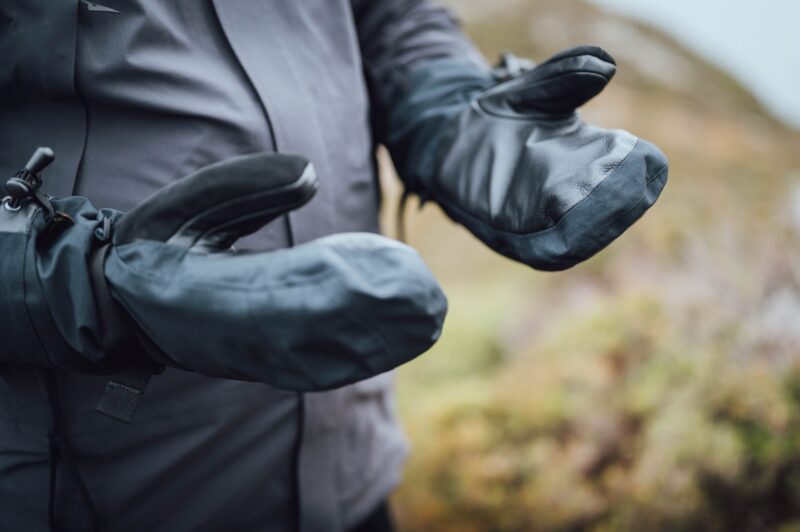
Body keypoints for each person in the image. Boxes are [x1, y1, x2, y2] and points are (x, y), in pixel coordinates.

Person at [0, 1, 667, 531]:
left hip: (351, 475)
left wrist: (452, 117)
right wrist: (93, 285)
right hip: (106, 492)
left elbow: (393, 19)